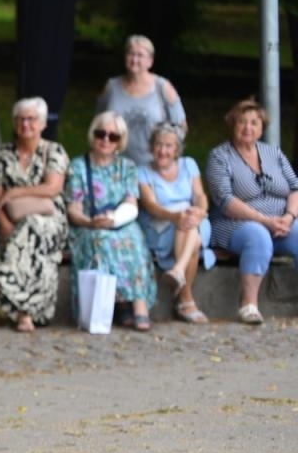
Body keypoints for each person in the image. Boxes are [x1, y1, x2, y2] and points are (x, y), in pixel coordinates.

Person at [204, 98, 298, 325]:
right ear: (232, 124)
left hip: (280, 222)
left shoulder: (273, 153)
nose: (248, 128)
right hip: (234, 222)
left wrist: (289, 217)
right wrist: (265, 221)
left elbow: (295, 188)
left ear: (262, 127)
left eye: (254, 123)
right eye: (242, 122)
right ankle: (248, 305)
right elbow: (225, 201)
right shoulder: (220, 156)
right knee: (258, 236)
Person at [0, 97, 69, 332]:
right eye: (20, 119)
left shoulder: (53, 151)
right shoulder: (2, 155)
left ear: (42, 123)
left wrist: (16, 192)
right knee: (32, 249)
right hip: (14, 223)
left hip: (52, 223)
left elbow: (53, 188)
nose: (25, 124)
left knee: (31, 224)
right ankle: (25, 315)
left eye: (31, 119)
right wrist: (3, 223)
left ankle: (1, 278)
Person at [67, 111, 158, 330]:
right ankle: (116, 306)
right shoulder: (78, 166)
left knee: (133, 239)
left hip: (119, 221)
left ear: (120, 141)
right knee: (101, 240)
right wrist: (91, 222)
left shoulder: (127, 167)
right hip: (88, 224)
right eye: (101, 134)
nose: (106, 140)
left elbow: (131, 204)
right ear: (93, 135)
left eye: (113, 136)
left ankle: (138, 305)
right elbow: (74, 210)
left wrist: (114, 219)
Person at [137, 123, 214, 324]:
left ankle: (178, 272)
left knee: (190, 226)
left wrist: (199, 211)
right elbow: (150, 205)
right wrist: (175, 216)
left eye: (169, 146)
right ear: (151, 147)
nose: (163, 151)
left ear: (177, 148)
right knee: (191, 236)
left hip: (191, 219)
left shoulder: (189, 164)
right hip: (160, 224)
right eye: (158, 145)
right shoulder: (143, 172)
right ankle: (186, 300)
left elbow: (199, 195)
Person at [94, 35, 187, 169]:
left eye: (140, 55)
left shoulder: (163, 87)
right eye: (130, 54)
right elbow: (98, 124)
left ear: (150, 61)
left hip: (152, 167)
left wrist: (166, 155)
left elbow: (181, 127)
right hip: (113, 165)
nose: (134, 59)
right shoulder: (111, 87)